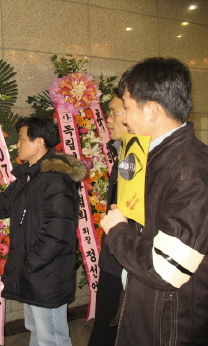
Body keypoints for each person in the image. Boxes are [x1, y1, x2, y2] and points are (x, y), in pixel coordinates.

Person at [0, 116, 87, 346]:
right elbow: (3, 202)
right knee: (37, 331)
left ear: (39, 142)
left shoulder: (57, 180)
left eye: (22, 139)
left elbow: (58, 234)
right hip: (33, 273)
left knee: (51, 337)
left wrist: (30, 264)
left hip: (46, 274)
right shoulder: (31, 175)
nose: (17, 144)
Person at [101, 57, 208, 345]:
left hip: (169, 327)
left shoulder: (189, 170)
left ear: (152, 111)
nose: (123, 118)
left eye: (126, 107)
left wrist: (118, 230)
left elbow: (166, 268)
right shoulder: (156, 157)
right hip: (148, 314)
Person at [88, 89, 128, 345]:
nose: (108, 120)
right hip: (112, 260)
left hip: (128, 265)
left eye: (113, 112)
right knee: (104, 330)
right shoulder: (121, 154)